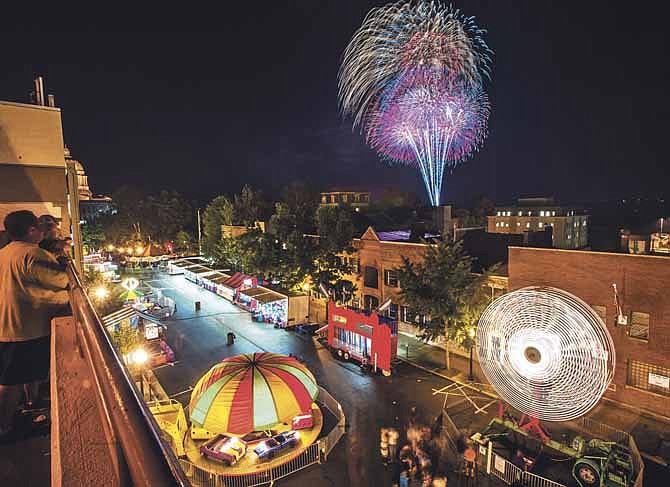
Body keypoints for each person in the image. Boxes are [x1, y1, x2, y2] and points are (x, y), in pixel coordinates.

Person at [0, 211, 69, 441]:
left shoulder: (5, 253)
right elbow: (61, 280)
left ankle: (27, 407)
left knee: (18, 377)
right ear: (31, 230)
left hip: (10, 325)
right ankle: (5, 427)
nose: (42, 230)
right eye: (39, 226)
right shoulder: (32, 254)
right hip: (24, 329)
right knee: (11, 382)